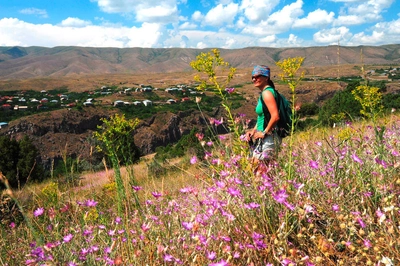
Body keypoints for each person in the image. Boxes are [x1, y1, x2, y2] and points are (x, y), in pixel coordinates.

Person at [245, 65, 281, 163]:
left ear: (266, 77)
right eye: (252, 77)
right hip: (265, 137)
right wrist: (253, 131)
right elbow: (263, 116)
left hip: (268, 138)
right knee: (259, 171)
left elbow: (275, 116)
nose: (254, 79)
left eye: (257, 76)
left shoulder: (267, 93)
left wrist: (264, 133)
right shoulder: (265, 93)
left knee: (262, 173)